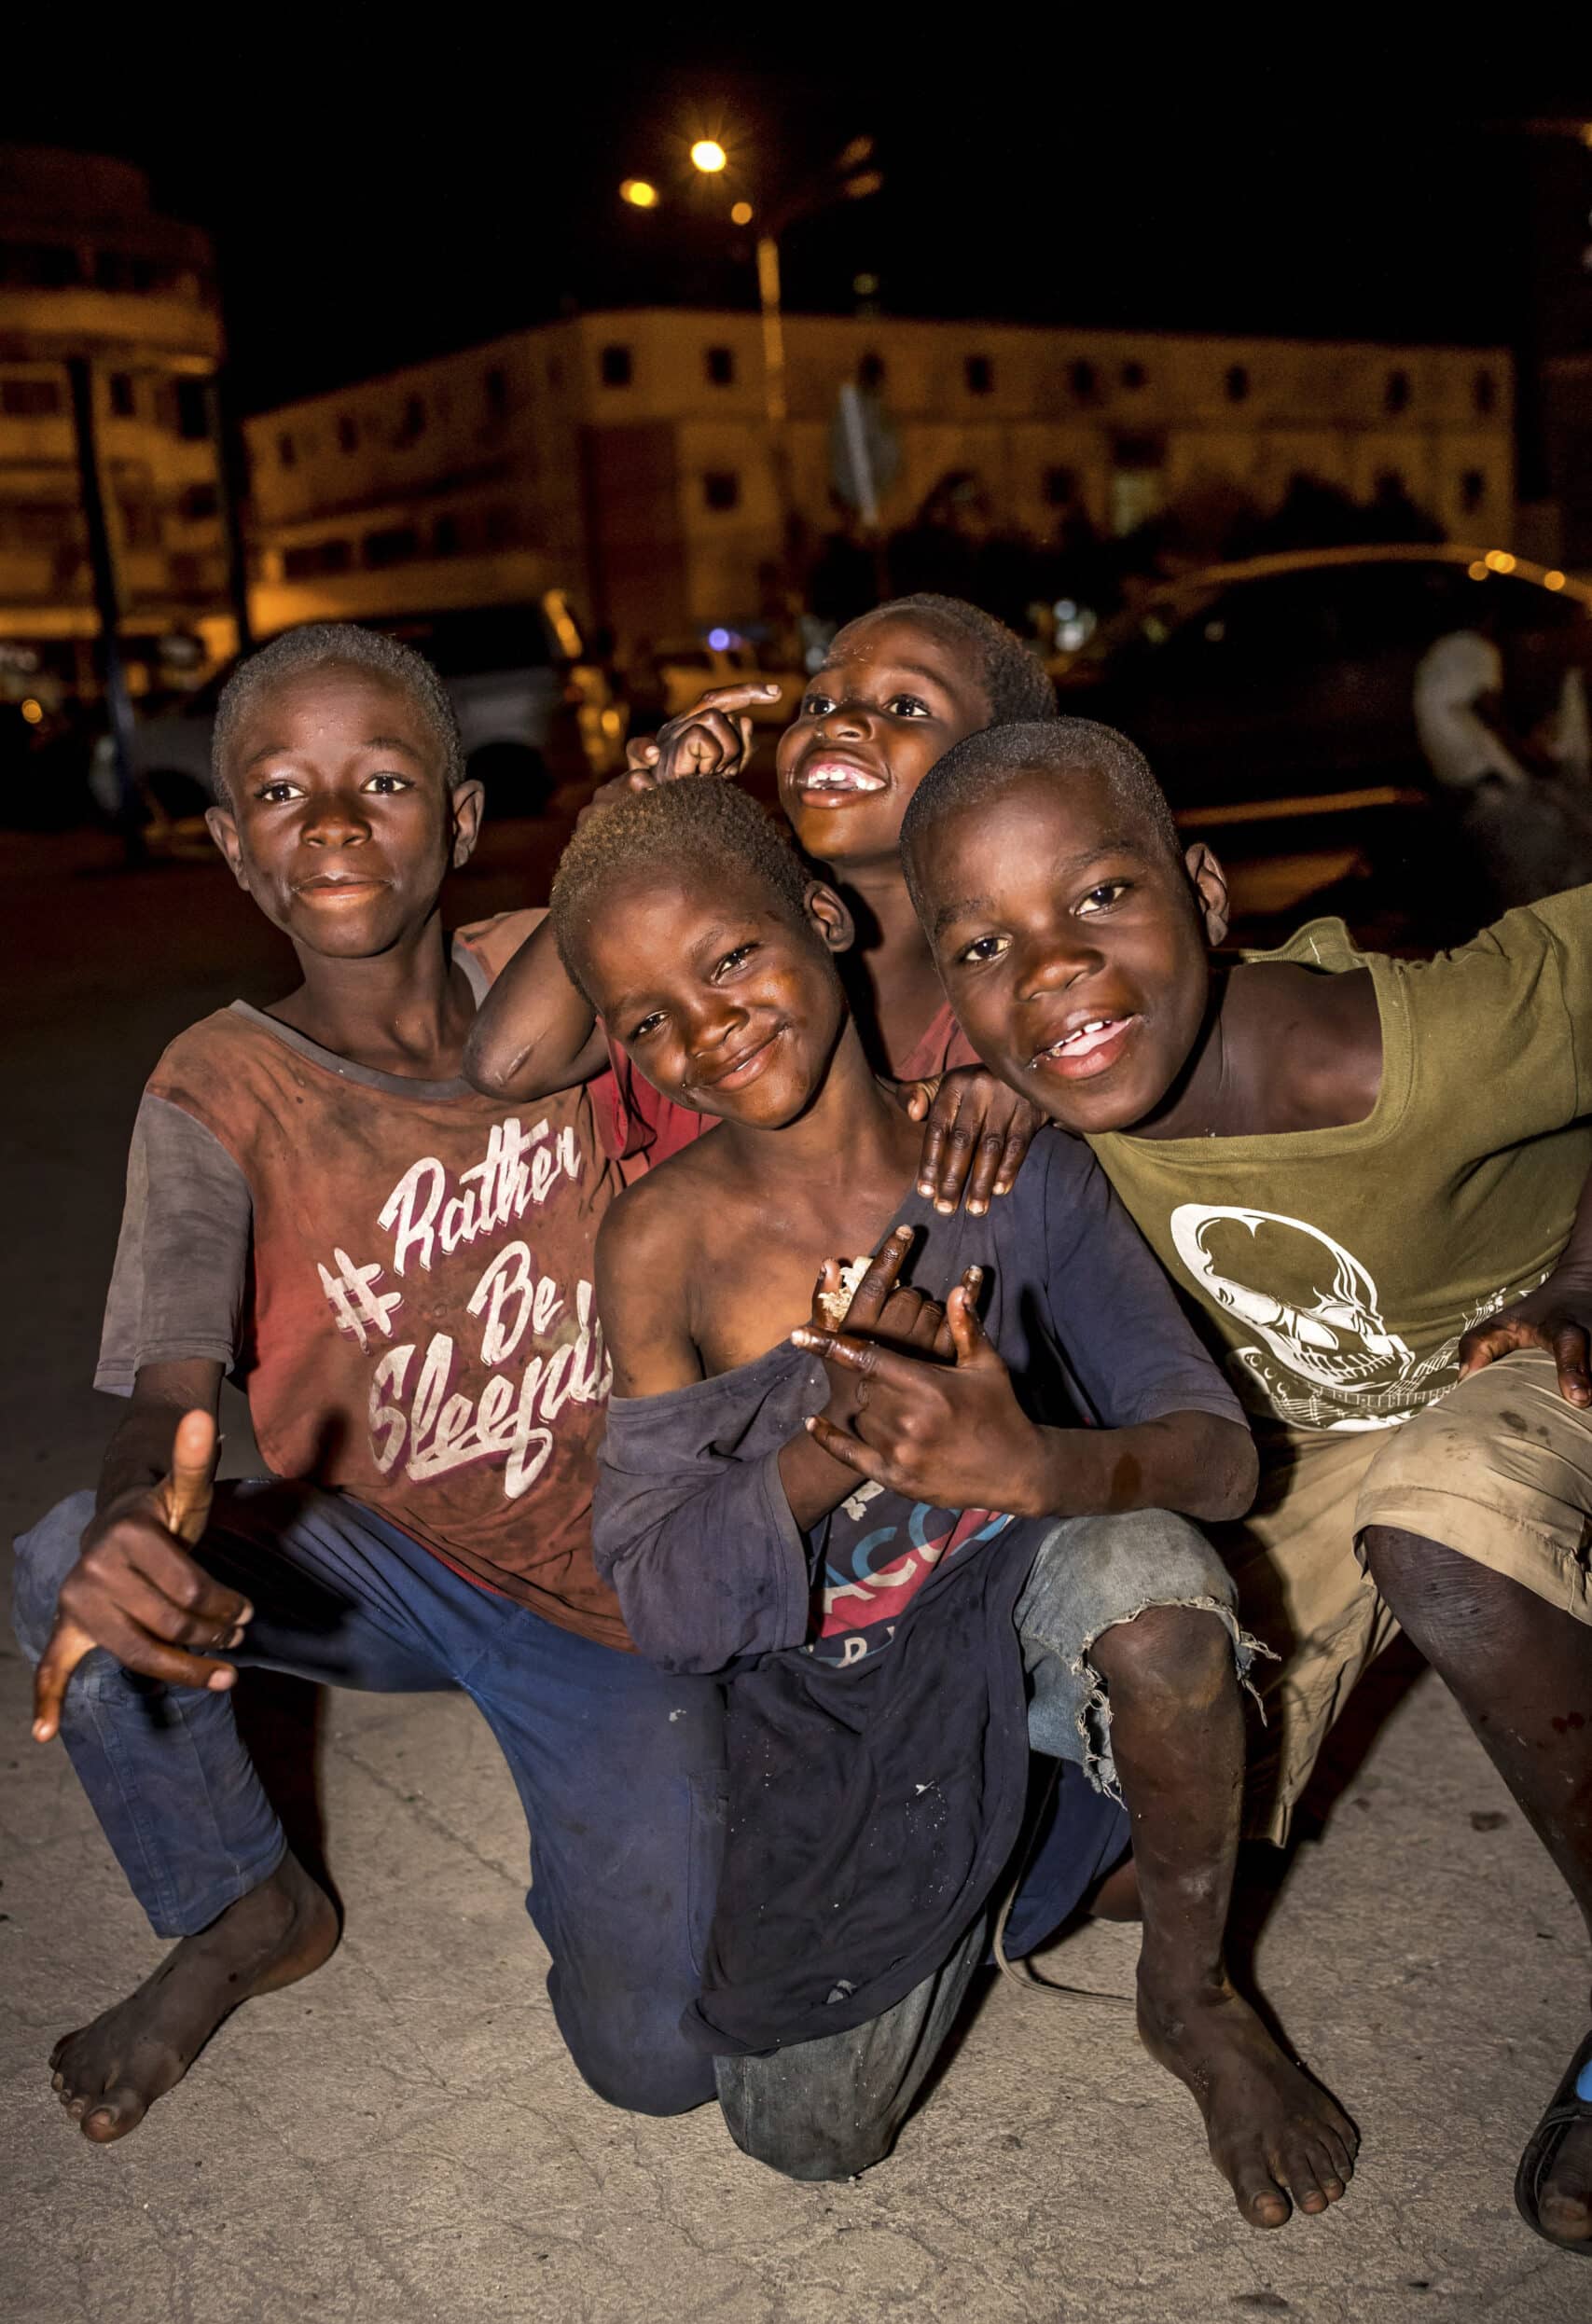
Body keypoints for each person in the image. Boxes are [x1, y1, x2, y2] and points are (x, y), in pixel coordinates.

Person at [546, 773, 1360, 2222]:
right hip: (840, 1695)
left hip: (1025, 1606)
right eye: (646, 1019)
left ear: (819, 916)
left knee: (1156, 1601)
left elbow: (1216, 1455)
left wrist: (1027, 1466)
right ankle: (1035, 1848)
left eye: (727, 958)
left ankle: (1190, 1989)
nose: (705, 1027)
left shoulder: (1005, 1166)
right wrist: (830, 1443)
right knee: (800, 2136)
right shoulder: (657, 1242)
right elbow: (667, 1602)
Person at [10, 624, 727, 2144]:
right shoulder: (218, 1087)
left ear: (459, 823)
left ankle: (606, 1814)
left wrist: (683, 820)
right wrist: (145, 1514)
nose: (332, 823)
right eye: (282, 793)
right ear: (233, 850)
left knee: (660, 2063)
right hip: (384, 1564)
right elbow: (169, 1391)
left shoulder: (570, 970)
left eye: (382, 781)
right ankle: (245, 1911)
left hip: (617, 1575)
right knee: (69, 1559)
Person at [897, 713, 1592, 2254]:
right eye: (987, 946)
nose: (1052, 970)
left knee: (1446, 1532)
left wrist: (1585, 1274)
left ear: (1204, 896)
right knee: (1172, 1680)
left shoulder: (1392, 1053)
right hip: (1332, 1447)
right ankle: (1189, 2000)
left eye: (1096, 899)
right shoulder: (1051, 1115)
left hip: (1538, 1373)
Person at [465, 594, 1058, 1215]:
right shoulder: (700, 950)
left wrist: (1034, 1093)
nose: (839, 723)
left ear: (1003, 769)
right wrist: (626, 829)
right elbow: (510, 1064)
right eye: (819, 703)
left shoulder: (1016, 1005)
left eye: (905, 705)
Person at [1414, 607, 1592, 912]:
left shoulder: (1442, 653)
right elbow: (1488, 710)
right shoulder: (1473, 651)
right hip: (1489, 785)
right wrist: (1528, 759)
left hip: (1463, 784)